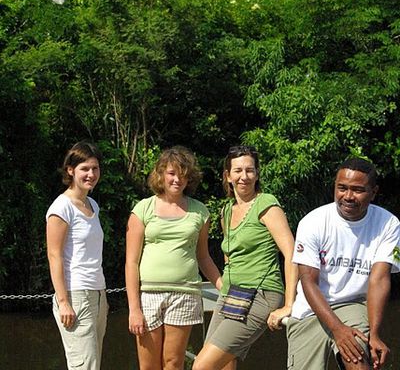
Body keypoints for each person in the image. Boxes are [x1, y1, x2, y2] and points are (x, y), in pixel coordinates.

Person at [287, 157, 400, 370]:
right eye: (342, 188)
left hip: (353, 304)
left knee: (356, 357)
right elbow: (308, 282)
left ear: (373, 192)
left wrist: (374, 334)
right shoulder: (313, 222)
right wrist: (337, 330)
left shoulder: (389, 224)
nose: (348, 196)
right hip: (310, 309)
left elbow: (379, 279)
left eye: (358, 190)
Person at [193, 145, 298, 370]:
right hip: (231, 294)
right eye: (238, 171)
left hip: (260, 293)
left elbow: (291, 252)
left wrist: (289, 304)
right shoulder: (226, 211)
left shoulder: (266, 204)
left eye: (250, 170)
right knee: (224, 364)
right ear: (228, 176)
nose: (244, 176)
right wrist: (223, 287)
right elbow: (229, 257)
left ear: (257, 174)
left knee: (202, 366)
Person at [125, 145, 222, 370]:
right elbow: (131, 262)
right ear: (160, 174)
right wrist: (134, 309)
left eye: (183, 175)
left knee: (174, 363)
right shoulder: (142, 209)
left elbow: (204, 257)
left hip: (185, 295)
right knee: (148, 366)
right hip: (148, 295)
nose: (177, 180)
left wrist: (222, 285)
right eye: (172, 173)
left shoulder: (200, 212)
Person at [46, 141, 108, 370]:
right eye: (85, 169)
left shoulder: (92, 204)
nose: (91, 174)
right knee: (84, 366)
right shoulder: (61, 207)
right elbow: (54, 255)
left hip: (98, 293)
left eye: (95, 168)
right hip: (75, 294)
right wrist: (63, 302)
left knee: (93, 363)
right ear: (71, 170)